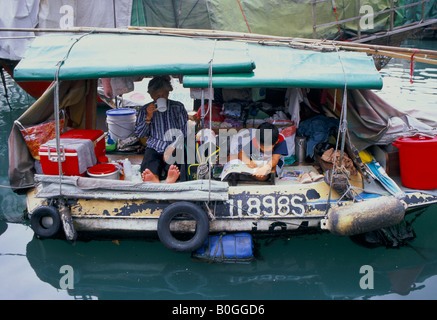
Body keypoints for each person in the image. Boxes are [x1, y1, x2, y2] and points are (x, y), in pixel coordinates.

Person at [135, 76, 187, 183]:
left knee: (175, 163)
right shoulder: (145, 110)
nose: (161, 98)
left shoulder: (178, 107)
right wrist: (148, 118)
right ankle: (154, 179)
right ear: (151, 95)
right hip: (154, 145)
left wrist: (171, 147)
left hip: (174, 145)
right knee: (149, 163)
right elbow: (140, 134)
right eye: (157, 96)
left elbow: (184, 131)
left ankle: (170, 180)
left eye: (164, 95)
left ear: (168, 93)